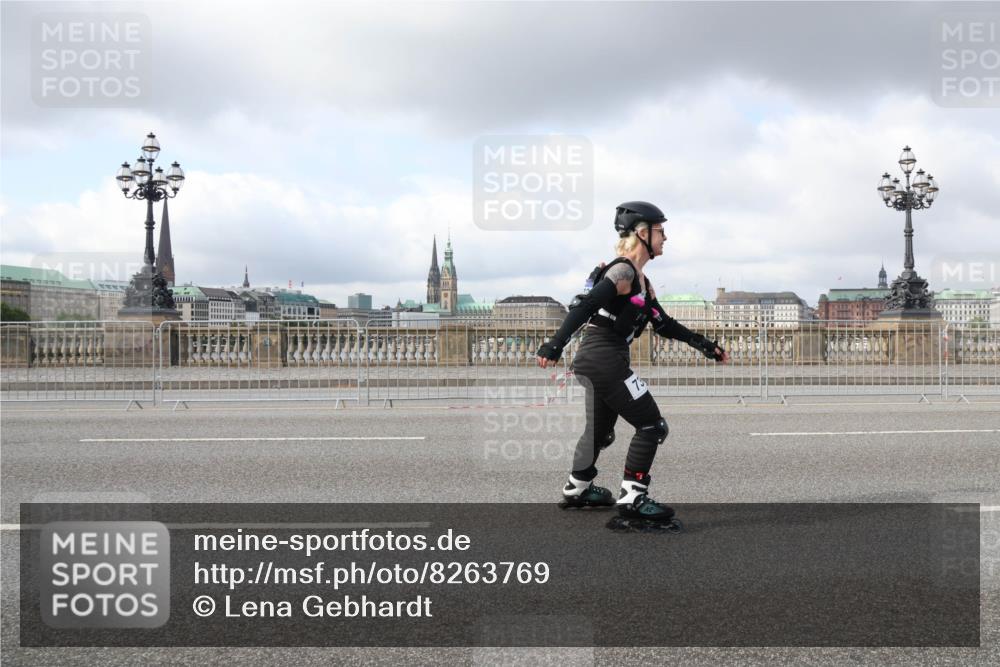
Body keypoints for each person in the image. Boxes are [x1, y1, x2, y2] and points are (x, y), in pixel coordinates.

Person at [536, 201, 729, 531]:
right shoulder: (622, 271)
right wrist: (555, 344)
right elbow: (587, 305)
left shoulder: (643, 284)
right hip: (604, 358)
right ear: (643, 233)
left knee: (599, 432)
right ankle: (633, 498)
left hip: (598, 360)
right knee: (653, 426)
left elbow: (664, 325)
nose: (665, 237)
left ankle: (578, 487)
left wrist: (707, 346)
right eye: (661, 230)